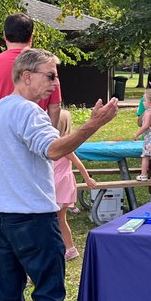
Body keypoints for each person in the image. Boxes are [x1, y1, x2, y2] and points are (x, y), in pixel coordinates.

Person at [0, 48, 118, 301]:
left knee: (8, 297)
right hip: (34, 218)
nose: (55, 83)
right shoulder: (28, 112)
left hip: (4, 217)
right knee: (49, 295)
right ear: (26, 76)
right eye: (50, 75)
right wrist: (93, 124)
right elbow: (54, 150)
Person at [0, 13, 62, 290]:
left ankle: (4, 273)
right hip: (37, 147)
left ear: (4, 36)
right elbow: (55, 108)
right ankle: (27, 272)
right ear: (32, 36)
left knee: (1, 207)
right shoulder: (43, 67)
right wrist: (47, 142)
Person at [52, 109, 95, 261]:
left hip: (60, 184)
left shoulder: (63, 145)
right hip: (56, 183)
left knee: (59, 219)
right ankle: (66, 248)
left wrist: (88, 179)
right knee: (58, 219)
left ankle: (69, 248)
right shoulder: (54, 143)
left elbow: (78, 163)